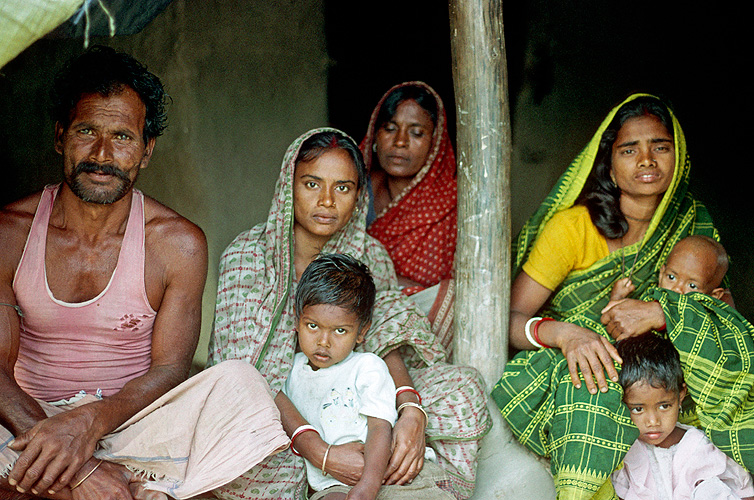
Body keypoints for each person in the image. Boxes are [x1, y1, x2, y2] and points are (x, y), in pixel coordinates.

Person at [0, 46, 288, 500]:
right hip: (26, 424)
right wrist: (77, 467)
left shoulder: (177, 244)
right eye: (86, 131)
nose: (102, 153)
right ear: (60, 137)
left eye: (123, 137)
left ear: (146, 150)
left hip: (129, 426)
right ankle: (124, 486)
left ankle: (80, 481)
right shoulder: (9, 232)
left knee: (241, 386)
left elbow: (171, 368)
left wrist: (89, 423)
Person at [491, 94, 753, 499]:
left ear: (678, 157)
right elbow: (507, 318)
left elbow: (728, 326)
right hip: (587, 360)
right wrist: (565, 334)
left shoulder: (693, 226)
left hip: (667, 370)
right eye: (629, 150)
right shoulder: (573, 228)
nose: (646, 160)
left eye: (660, 147)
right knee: (596, 387)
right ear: (609, 166)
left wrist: (659, 311)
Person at [209, 128, 491, 500]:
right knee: (234, 457)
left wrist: (409, 410)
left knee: (463, 389)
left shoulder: (370, 255)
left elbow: (384, 337)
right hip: (276, 418)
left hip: (355, 405)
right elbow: (241, 374)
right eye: (312, 184)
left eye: (342, 188)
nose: (327, 200)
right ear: (287, 186)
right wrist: (320, 452)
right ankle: (356, 476)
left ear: (359, 196)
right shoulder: (247, 255)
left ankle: (386, 470)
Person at [283, 253, 455, 500]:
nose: (323, 341)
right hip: (333, 484)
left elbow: (379, 429)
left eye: (340, 330)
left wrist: (368, 487)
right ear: (298, 320)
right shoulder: (289, 371)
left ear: (361, 332)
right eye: (312, 326)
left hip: (390, 475)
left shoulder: (367, 367)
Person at [359, 82, 457, 353]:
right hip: (357, 318)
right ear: (375, 135)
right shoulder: (353, 192)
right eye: (389, 129)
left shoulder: (454, 203)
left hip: (426, 325)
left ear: (435, 142)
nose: (400, 142)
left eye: (416, 133)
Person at [611, 332, 754, 500]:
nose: (653, 421)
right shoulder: (625, 454)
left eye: (664, 406)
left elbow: (745, 491)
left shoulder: (702, 446)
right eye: (637, 409)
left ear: (680, 396)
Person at [608, 234, 728, 306]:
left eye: (692, 286)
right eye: (671, 277)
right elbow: (610, 318)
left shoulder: (700, 326)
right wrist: (617, 298)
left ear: (714, 296)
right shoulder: (647, 304)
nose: (677, 289)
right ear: (661, 275)